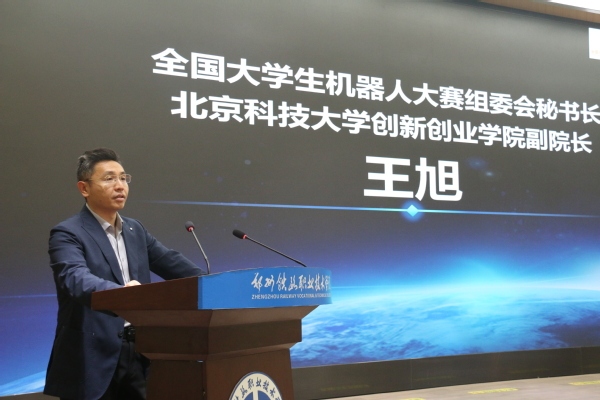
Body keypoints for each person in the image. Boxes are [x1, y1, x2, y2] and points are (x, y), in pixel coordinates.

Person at [44, 148, 204, 400]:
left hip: (140, 352)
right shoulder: (68, 233)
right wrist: (123, 295)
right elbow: (75, 279)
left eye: (123, 178)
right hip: (92, 357)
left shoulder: (135, 229)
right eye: (109, 179)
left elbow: (173, 264)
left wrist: (217, 284)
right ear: (84, 188)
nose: (120, 186)